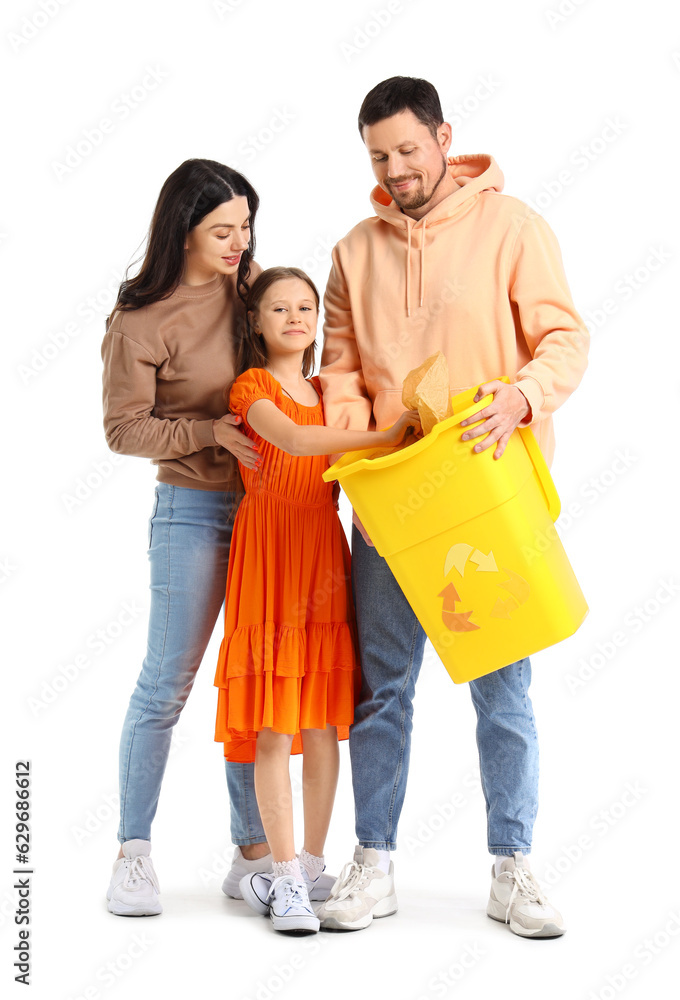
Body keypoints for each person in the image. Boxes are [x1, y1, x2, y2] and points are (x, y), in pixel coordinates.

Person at [317, 77, 589, 938]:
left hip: (490, 493)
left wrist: (522, 395)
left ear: (443, 137)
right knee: (383, 690)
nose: (395, 169)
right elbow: (340, 370)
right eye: (378, 157)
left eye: (407, 149)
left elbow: (564, 336)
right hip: (395, 503)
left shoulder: (513, 228)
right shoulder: (354, 251)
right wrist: (364, 433)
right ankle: (375, 864)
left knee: (503, 689)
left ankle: (513, 868)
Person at [215, 266, 420, 933]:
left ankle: (308, 865)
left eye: (305, 306)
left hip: (322, 552)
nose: (296, 317)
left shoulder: (333, 390)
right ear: (256, 322)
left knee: (322, 719)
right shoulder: (254, 387)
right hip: (270, 550)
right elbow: (298, 441)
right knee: (274, 719)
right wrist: (384, 438)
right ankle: (278, 878)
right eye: (279, 308)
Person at [101, 159, 276, 916]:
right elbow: (121, 428)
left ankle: (253, 855)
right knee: (166, 683)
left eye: (245, 227)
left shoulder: (253, 290)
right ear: (184, 229)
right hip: (193, 513)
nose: (240, 243)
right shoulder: (141, 320)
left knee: (251, 685)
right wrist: (208, 432)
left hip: (270, 512)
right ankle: (132, 855)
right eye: (223, 230)